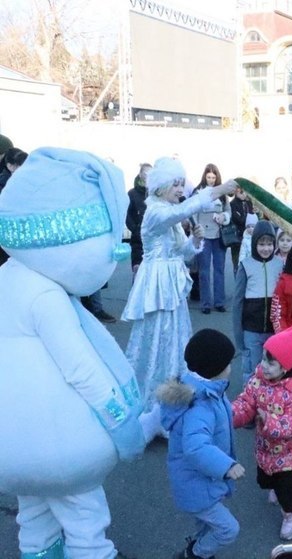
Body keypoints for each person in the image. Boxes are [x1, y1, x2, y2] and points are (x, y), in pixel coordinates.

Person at [0, 147, 145, 559]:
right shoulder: (48, 295)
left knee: (34, 517)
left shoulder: (6, 278)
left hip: (10, 443)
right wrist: (123, 425)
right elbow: (83, 370)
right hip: (59, 446)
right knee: (85, 519)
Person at [122, 157, 236, 442]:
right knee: (156, 340)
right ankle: (150, 408)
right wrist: (220, 190)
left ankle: (169, 406)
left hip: (170, 282)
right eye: (175, 183)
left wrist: (195, 242)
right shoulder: (155, 212)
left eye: (180, 183)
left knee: (175, 339)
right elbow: (188, 208)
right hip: (157, 285)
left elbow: (181, 253)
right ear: (160, 186)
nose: (179, 188)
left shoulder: (169, 213)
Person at [157, 329, 244, 559]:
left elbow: (221, 418)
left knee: (208, 525)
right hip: (198, 485)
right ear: (216, 368)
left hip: (198, 482)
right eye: (228, 363)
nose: (230, 367)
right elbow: (196, 447)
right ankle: (194, 554)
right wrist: (226, 466)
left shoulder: (204, 391)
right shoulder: (200, 405)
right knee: (228, 529)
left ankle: (199, 549)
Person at [232, 324, 292, 541]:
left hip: (288, 454)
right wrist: (231, 415)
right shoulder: (257, 380)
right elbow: (246, 402)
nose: (263, 365)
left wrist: (270, 421)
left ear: (285, 367)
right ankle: (273, 486)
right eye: (264, 359)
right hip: (265, 448)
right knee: (264, 480)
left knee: (285, 488)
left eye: (270, 362)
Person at [233, 220, 283, 385]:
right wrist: (239, 334)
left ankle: (268, 404)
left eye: (269, 244)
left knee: (272, 369)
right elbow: (238, 302)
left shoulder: (279, 264)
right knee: (252, 370)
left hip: (273, 330)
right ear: (254, 244)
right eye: (261, 244)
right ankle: (249, 405)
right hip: (251, 330)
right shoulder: (245, 266)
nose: (266, 248)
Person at [191, 164, 231, 314]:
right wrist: (195, 229)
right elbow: (192, 211)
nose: (211, 180)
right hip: (204, 236)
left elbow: (228, 210)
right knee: (204, 271)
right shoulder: (198, 192)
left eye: (214, 178)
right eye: (209, 177)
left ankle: (219, 301)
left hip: (218, 235)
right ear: (204, 177)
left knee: (219, 270)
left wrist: (224, 216)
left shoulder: (221, 193)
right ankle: (206, 303)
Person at [127, 163, 151, 277]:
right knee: (138, 273)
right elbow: (127, 214)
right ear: (140, 174)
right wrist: (135, 228)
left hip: (152, 238)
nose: (148, 176)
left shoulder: (155, 194)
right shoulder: (132, 193)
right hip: (138, 240)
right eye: (145, 173)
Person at [229, 186, 255, 273]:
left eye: (245, 192)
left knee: (250, 260)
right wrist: (248, 219)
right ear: (236, 191)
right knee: (237, 262)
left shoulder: (249, 203)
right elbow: (237, 219)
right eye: (241, 192)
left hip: (249, 235)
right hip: (237, 236)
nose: (243, 194)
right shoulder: (232, 204)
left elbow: (253, 218)